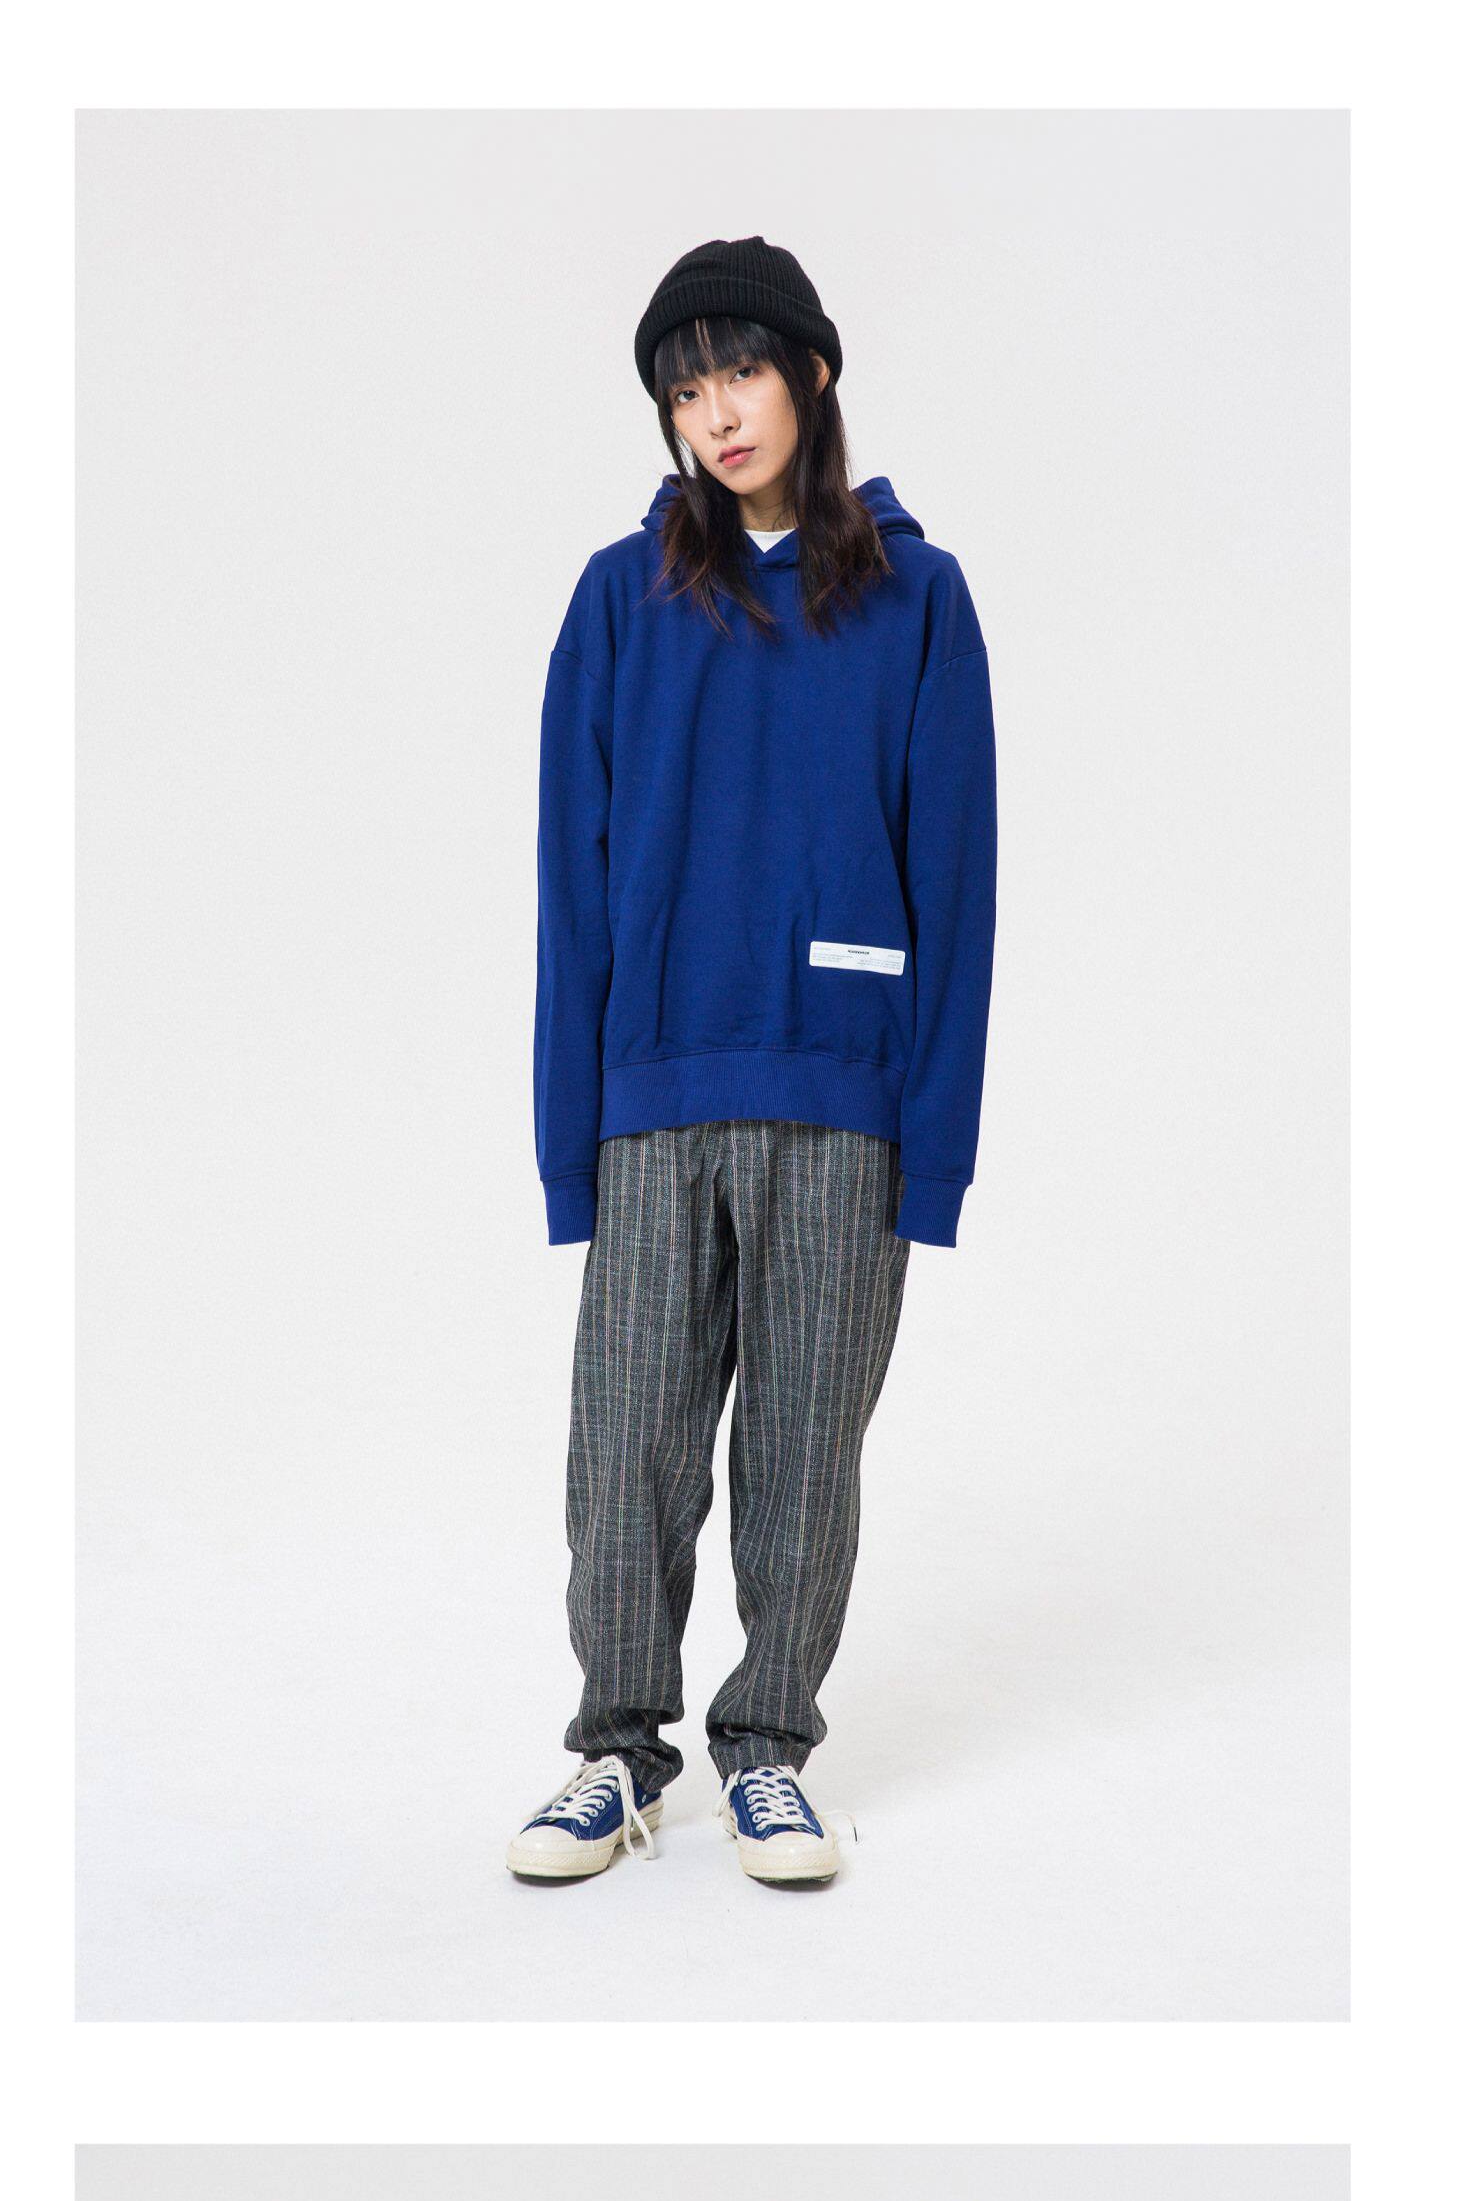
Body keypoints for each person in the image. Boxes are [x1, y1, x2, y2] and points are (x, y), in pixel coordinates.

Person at [506, 236, 997, 1886]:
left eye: (740, 372)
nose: (715, 413)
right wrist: (571, 1133)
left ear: (813, 376)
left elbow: (960, 880)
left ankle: (770, 1750)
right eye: (684, 390)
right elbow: (573, 885)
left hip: (845, 1099)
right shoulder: (618, 600)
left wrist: (935, 1144)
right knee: (627, 1444)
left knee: (801, 1455)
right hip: (657, 1092)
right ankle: (615, 1752)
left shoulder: (919, 599)